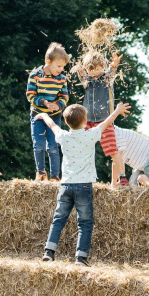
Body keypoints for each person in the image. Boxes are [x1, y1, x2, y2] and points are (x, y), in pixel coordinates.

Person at [38, 101, 130, 265]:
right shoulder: (91, 135)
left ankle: (49, 252)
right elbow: (106, 123)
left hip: (66, 185)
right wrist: (117, 110)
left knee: (58, 219)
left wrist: (44, 115)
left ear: (67, 122)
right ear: (86, 121)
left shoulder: (63, 136)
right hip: (84, 186)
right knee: (85, 223)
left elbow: (52, 125)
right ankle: (81, 258)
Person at [75, 48, 126, 184]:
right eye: (90, 69)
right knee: (82, 148)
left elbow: (112, 72)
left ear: (102, 67)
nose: (94, 72)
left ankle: (122, 177)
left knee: (113, 150)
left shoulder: (106, 79)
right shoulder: (87, 81)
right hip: (88, 121)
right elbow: (81, 74)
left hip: (105, 121)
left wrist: (114, 64)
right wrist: (78, 68)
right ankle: (79, 175)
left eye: (97, 69)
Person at [26, 43, 71, 181]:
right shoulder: (35, 75)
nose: (61, 69)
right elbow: (30, 95)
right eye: (59, 66)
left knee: (53, 146)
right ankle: (40, 172)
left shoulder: (62, 78)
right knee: (39, 144)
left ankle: (55, 176)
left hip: (54, 117)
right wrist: (44, 102)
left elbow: (64, 97)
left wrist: (58, 106)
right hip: (38, 115)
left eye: (63, 67)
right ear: (48, 62)